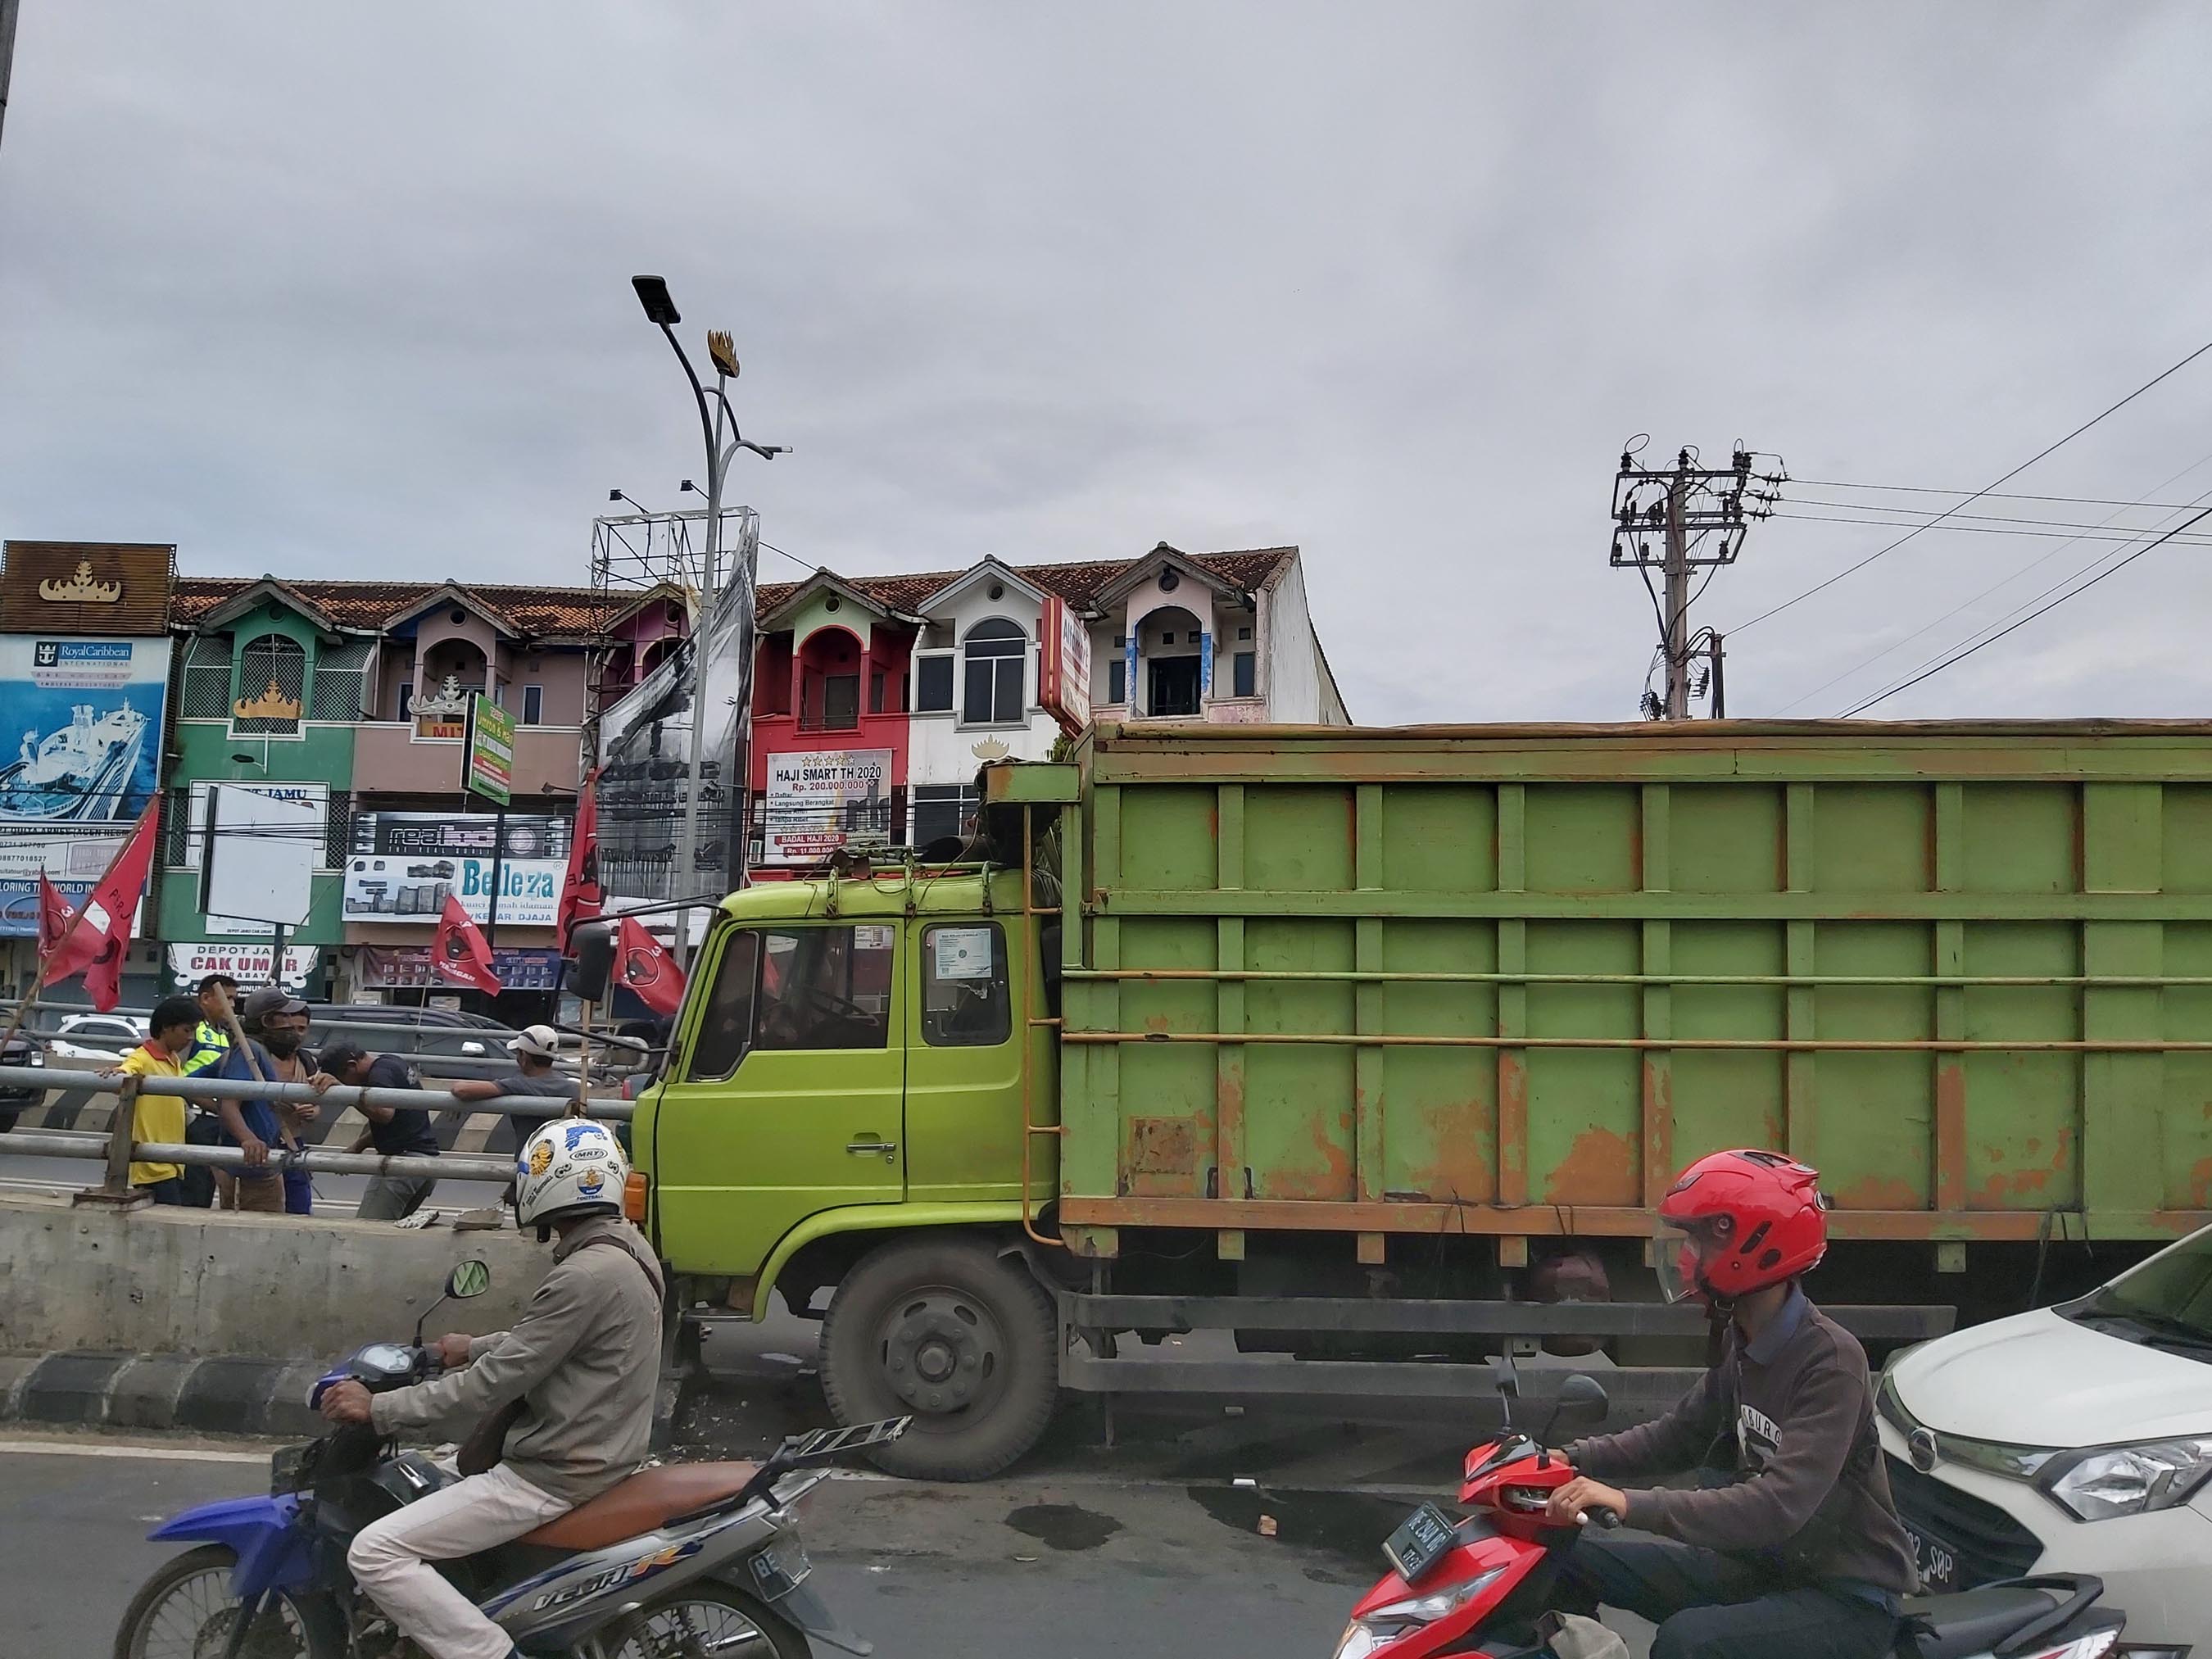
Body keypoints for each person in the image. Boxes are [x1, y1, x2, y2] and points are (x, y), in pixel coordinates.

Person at [1539, 1149, 1915, 1659]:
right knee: (1564, 1559)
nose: (1686, 1256)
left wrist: (1628, 1503)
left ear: (1755, 1246)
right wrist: (1568, 1461)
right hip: (1766, 1566)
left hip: (1845, 1595)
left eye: (1699, 1239)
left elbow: (1777, 1504)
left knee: (1687, 1644)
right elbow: (1677, 1436)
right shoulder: (1746, 1337)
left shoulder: (1830, 1360)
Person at [324, 1117, 661, 1659]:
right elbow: (550, 1339)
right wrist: (470, 1344)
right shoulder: (627, 1252)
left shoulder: (582, 1275)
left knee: (376, 1551)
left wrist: (379, 1407)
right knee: (442, 1474)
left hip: (553, 1472)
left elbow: (487, 1386)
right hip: (603, 1450)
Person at [215, 987, 333, 1215]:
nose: (290, 1025)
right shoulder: (249, 1051)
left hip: (274, 1155)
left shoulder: (289, 1057)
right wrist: (248, 1138)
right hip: (252, 1162)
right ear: (267, 1021)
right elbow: (228, 1101)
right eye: (284, 1017)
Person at [318, 1039, 441, 1220]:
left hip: (402, 1166)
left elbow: (384, 1114)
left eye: (344, 1079)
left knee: (365, 1231)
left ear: (352, 1066)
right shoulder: (391, 1062)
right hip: (426, 1164)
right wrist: (358, 1146)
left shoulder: (380, 1075)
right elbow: (399, 1121)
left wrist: (344, 1091)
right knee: (390, 1232)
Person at [105, 996, 201, 1205]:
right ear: (166, 1028)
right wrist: (118, 1073)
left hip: (172, 1160)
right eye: (187, 1030)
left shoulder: (173, 1059)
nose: (191, 1038)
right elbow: (128, 1069)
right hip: (152, 1165)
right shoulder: (143, 1058)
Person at [448, 1024, 578, 1157]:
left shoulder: (519, 1085)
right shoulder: (573, 1088)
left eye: (518, 1052)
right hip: (565, 1160)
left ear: (524, 1057)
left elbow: (462, 1090)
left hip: (530, 1163)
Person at [180, 972, 240, 1209]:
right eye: (228, 998)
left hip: (218, 1121)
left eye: (234, 999)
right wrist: (215, 1106)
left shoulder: (224, 1034)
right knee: (194, 1189)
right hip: (195, 1119)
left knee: (209, 1187)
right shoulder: (190, 1030)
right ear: (206, 998)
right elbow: (175, 1074)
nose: (233, 1005)